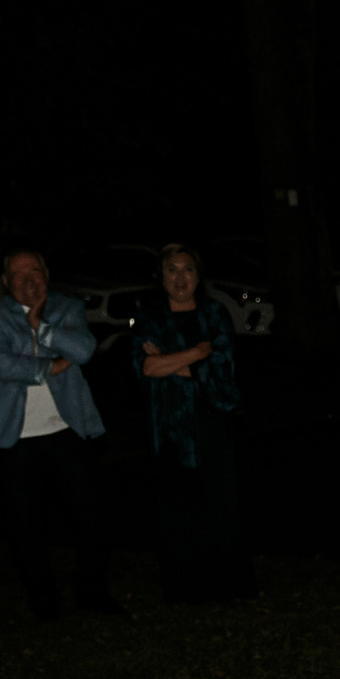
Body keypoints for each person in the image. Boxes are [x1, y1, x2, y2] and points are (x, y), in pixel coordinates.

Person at [0, 249, 117, 619]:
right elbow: (1, 364)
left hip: (67, 430)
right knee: (24, 525)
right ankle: (44, 601)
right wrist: (55, 364)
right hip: (14, 438)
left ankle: (92, 593)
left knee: (91, 517)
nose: (27, 281)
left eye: (34, 271)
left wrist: (42, 327)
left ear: (47, 273)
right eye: (17, 275)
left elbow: (83, 349)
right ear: (5, 282)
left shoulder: (67, 307)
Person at [132, 243, 253, 602]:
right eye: (172, 270)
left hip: (209, 423)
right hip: (167, 426)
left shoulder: (214, 314)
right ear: (162, 276)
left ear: (198, 277)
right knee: (177, 507)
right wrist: (197, 353)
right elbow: (147, 368)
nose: (180, 278)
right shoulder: (150, 318)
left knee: (218, 502)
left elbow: (222, 372)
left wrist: (175, 361)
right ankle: (185, 587)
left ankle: (227, 584)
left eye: (188, 270)